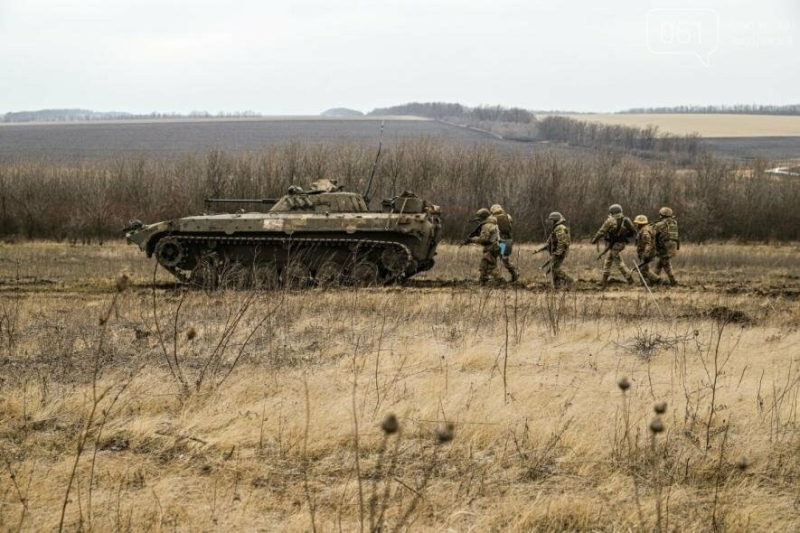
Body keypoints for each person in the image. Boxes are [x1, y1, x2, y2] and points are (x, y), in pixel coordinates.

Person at [591, 204, 636, 287]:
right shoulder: (626, 219)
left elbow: (601, 231)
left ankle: (630, 280)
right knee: (608, 260)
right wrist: (624, 235)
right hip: (622, 243)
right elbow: (633, 231)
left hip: (615, 244)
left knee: (619, 262)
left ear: (612, 212)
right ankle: (604, 280)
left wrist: (594, 239)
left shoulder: (610, 220)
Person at [464, 208, 504, 285]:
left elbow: (483, 239)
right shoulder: (493, 224)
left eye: (480, 218)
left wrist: (471, 240)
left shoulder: (486, 226)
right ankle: (483, 280)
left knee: (490, 266)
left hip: (491, 247)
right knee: (484, 264)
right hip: (496, 246)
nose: (479, 220)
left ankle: (499, 280)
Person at [490, 204, 519, 282]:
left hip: (499, 242)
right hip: (507, 242)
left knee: (492, 258)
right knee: (505, 258)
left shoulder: (492, 219)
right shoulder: (508, 217)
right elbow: (510, 227)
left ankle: (496, 277)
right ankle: (514, 272)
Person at [652, 206, 679, 286]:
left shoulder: (660, 224)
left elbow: (653, 231)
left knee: (666, 264)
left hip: (664, 246)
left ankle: (673, 281)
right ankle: (653, 279)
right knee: (661, 263)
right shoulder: (674, 223)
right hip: (673, 245)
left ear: (662, 215)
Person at [546, 211, 572, 287]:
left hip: (560, 251)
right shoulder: (558, 227)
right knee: (554, 268)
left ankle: (568, 280)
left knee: (555, 268)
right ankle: (557, 285)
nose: (550, 222)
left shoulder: (559, 228)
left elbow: (562, 241)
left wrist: (558, 252)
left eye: (551, 220)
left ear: (555, 220)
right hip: (559, 251)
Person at [633, 215, 659, 285]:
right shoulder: (647, 228)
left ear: (641, 224)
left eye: (637, 223)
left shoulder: (645, 231)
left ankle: (658, 280)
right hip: (646, 252)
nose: (636, 225)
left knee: (643, 270)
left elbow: (648, 244)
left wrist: (646, 254)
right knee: (644, 269)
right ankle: (644, 283)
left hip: (646, 253)